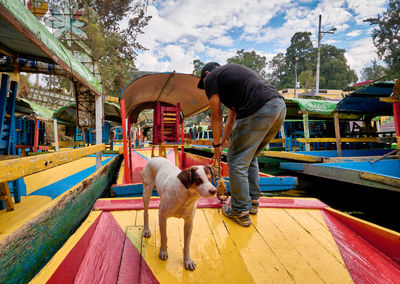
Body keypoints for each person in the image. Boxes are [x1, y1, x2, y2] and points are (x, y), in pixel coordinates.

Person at [197, 62, 286, 227]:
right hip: (279, 107)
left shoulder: (211, 78)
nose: (206, 90)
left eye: (203, 85)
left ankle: (239, 211)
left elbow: (215, 116)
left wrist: (216, 147)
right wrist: (222, 143)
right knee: (250, 157)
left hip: (258, 107)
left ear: (207, 74)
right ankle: (252, 203)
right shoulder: (233, 82)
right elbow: (230, 120)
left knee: (236, 161)